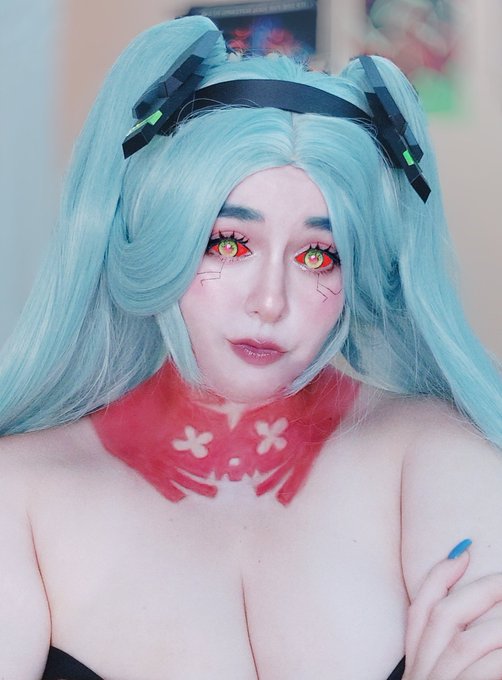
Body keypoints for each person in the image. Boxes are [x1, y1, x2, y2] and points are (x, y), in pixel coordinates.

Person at [1, 13, 502, 680]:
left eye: (318, 255)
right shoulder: (19, 497)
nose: (271, 301)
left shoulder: (438, 458)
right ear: (163, 235)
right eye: (230, 243)